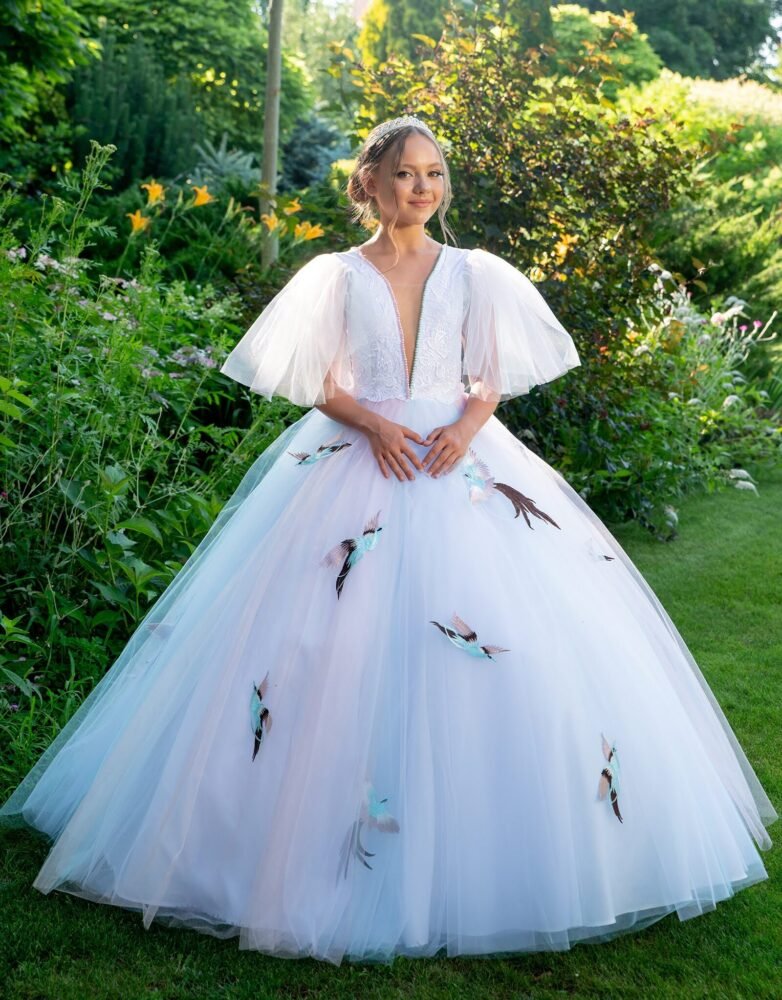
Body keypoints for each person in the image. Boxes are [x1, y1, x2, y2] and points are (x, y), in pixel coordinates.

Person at [0, 115, 776, 967]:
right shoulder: (335, 276)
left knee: (500, 644)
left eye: (435, 174)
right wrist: (371, 421)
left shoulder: (476, 274)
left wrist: (467, 429)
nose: (423, 188)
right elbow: (316, 382)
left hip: (455, 460)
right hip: (360, 459)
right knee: (321, 642)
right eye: (406, 173)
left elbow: (492, 376)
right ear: (370, 182)